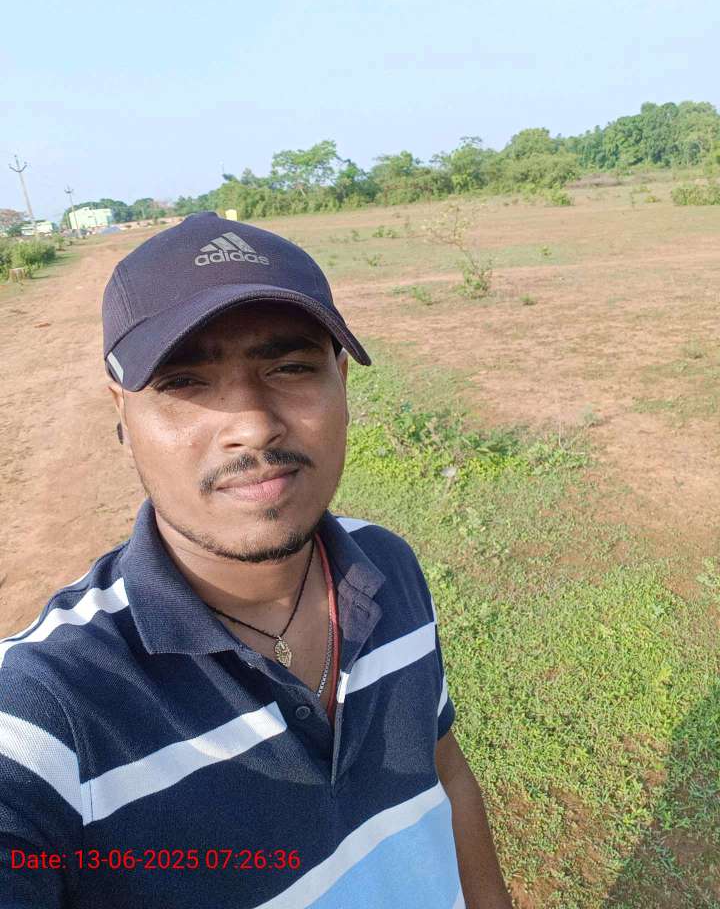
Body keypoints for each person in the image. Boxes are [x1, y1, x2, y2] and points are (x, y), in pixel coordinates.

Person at [0, 213, 512, 908]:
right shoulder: (46, 711)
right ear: (122, 414)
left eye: (290, 368)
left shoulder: (388, 567)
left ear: (341, 381)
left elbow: (444, 771)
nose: (253, 424)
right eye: (185, 381)